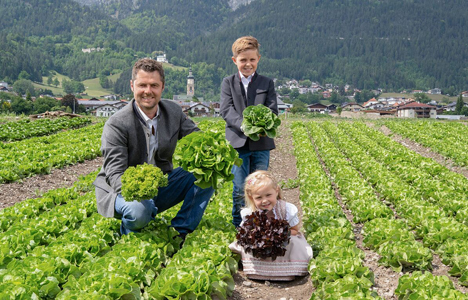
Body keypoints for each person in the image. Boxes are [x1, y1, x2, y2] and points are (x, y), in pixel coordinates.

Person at [93, 58, 214, 238]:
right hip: (120, 190)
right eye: (142, 85)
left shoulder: (173, 112)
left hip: (161, 183)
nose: (148, 91)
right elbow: (115, 174)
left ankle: (180, 231)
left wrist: (217, 152)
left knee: (208, 170)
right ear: (132, 86)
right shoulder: (117, 123)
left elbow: (198, 139)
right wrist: (143, 199)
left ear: (162, 87)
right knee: (140, 211)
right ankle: (129, 233)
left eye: (154, 85)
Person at [220, 36, 279, 227]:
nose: (248, 64)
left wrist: (261, 127)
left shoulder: (266, 83)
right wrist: (244, 125)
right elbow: (226, 110)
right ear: (234, 60)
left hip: (261, 144)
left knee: (261, 188)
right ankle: (239, 225)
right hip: (238, 143)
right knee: (239, 188)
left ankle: (259, 224)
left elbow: (272, 110)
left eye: (252, 60)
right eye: (243, 60)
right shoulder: (228, 83)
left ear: (258, 59)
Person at [229, 170, 313, 281]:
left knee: (295, 242)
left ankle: (287, 271)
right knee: (246, 245)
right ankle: (257, 271)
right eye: (259, 198)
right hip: (260, 248)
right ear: (251, 198)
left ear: (276, 191)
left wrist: (280, 236)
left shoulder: (286, 209)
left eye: (268, 195)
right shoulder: (249, 213)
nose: (264, 201)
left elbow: (295, 230)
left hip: (282, 245)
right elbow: (245, 232)